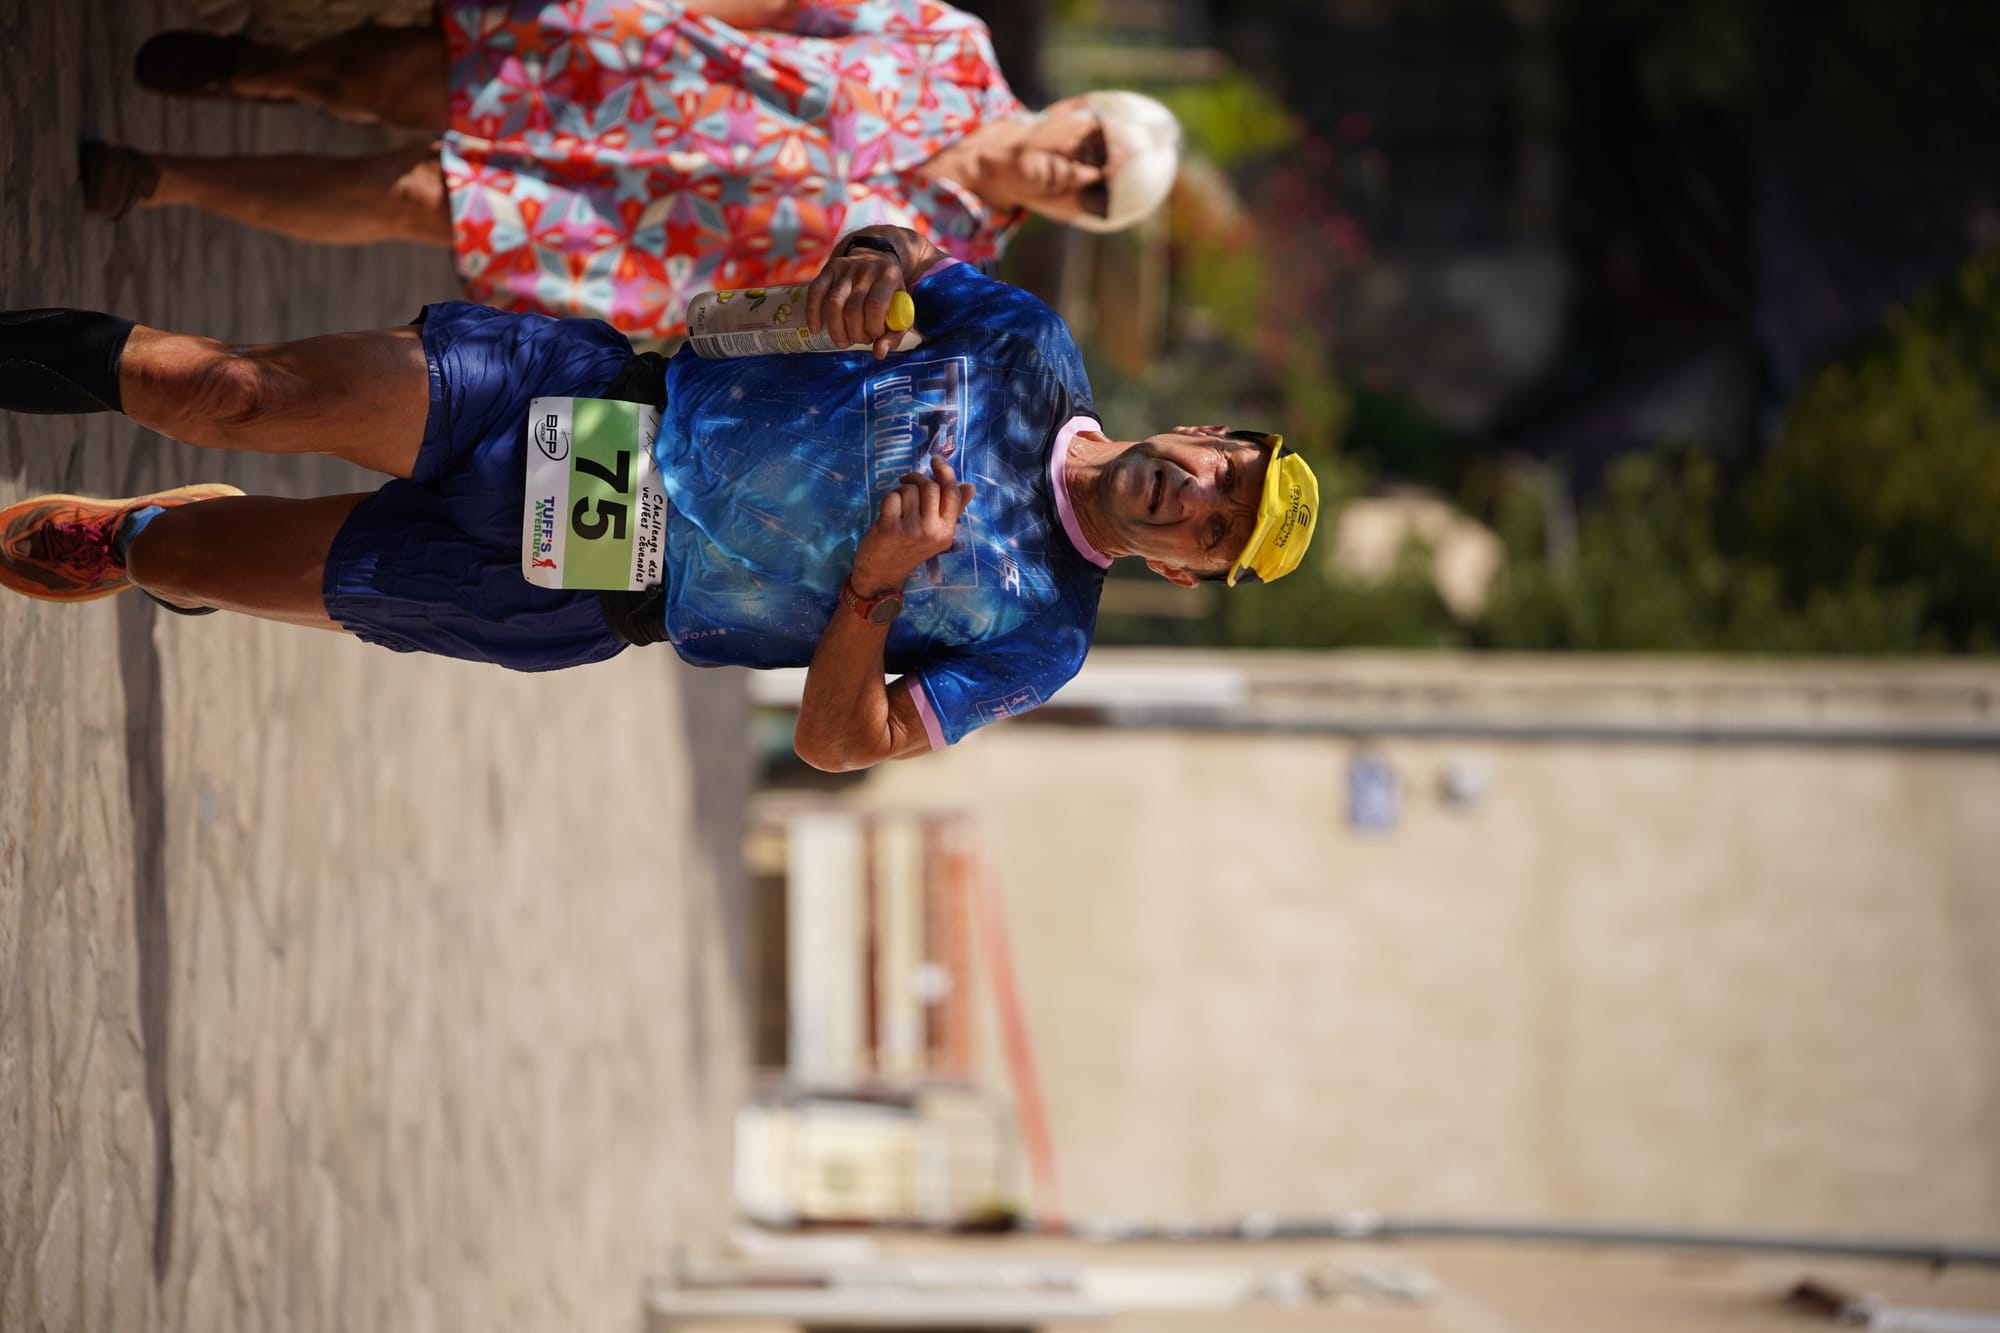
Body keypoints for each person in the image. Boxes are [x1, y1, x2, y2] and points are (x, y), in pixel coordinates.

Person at [0, 225, 1317, 771]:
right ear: (1205, 433)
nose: (1197, 497)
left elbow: (841, 741)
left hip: (575, 586)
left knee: (173, 551)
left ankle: (147, 537)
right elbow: (908, 246)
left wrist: (877, 585)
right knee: (227, 387)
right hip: (582, 401)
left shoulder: (1041, 637)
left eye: (1217, 532)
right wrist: (870, 257)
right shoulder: (1029, 347)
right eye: (1226, 472)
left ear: (1185, 572)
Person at [84, 0, 1183, 341]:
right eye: (1093, 145)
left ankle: (162, 177)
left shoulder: (948, 266)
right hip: (637, 76)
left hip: (643, 234)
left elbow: (806, 318)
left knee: (415, 197)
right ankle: (272, 70)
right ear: (1078, 107)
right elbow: (788, 9)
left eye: (1095, 193)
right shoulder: (951, 41)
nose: (1073, 169)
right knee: (388, 76)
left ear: (1079, 219)